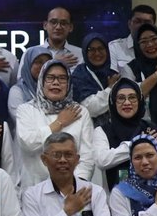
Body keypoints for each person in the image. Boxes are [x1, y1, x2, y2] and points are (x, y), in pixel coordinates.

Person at [14, 59, 97, 190]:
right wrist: (59, 123)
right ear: (41, 81)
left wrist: (75, 185)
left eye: (62, 78)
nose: (56, 82)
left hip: (72, 189)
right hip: (34, 187)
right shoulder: (26, 110)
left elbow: (87, 156)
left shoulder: (79, 112)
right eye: (50, 78)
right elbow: (28, 143)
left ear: (69, 83)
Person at [92, 79, 155, 189]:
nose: (127, 103)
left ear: (140, 100)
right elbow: (102, 160)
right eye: (121, 98)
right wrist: (136, 144)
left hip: (153, 194)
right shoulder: (102, 131)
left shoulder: (151, 129)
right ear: (113, 102)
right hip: (115, 195)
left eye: (132, 97)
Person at [108, 5, 157, 72]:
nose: (142, 26)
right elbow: (113, 76)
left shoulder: (156, 48)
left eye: (147, 23)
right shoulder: (114, 47)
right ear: (129, 24)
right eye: (138, 22)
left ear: (153, 27)